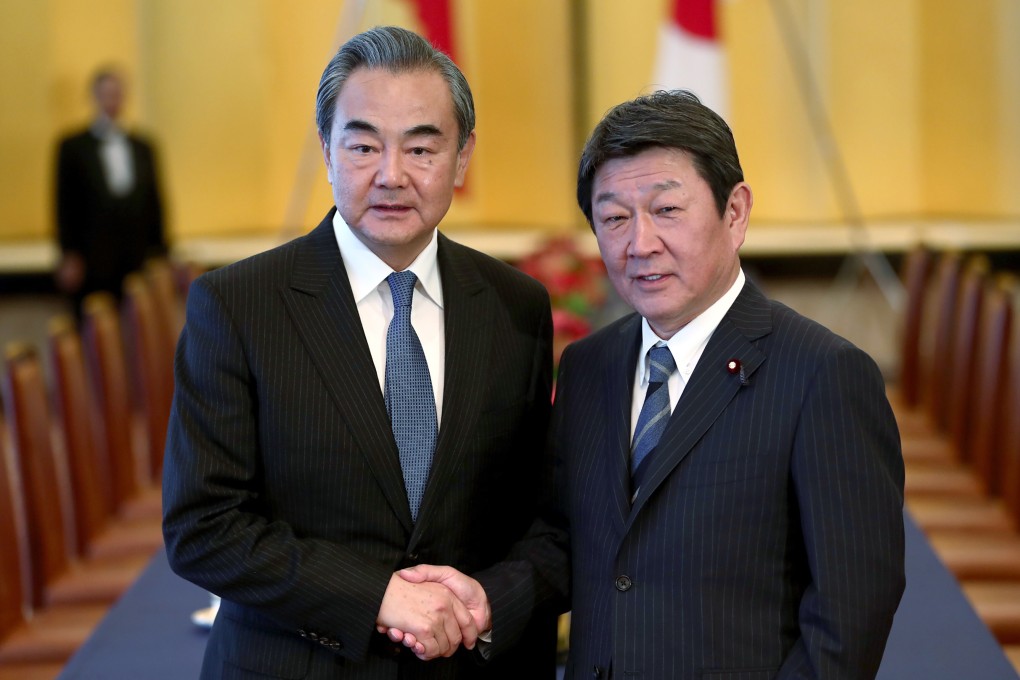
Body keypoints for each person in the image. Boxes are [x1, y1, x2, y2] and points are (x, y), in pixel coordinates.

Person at [396, 90, 905, 679]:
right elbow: (568, 539)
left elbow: (850, 615)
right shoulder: (590, 368)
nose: (640, 244)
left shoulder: (823, 376)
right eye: (614, 218)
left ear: (735, 212)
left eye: (667, 211)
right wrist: (486, 601)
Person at [161, 25, 560, 679]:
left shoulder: (516, 307)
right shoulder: (239, 305)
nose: (391, 175)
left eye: (422, 147)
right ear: (327, 150)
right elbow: (204, 526)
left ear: (462, 159)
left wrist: (493, 600)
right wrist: (377, 596)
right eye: (364, 144)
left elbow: (535, 514)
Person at [54, 67, 166, 316]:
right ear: (94, 97)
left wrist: (160, 252)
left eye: (117, 93)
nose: (112, 100)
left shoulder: (143, 145)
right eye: (106, 93)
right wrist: (68, 254)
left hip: (135, 254)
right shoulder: (73, 147)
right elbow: (64, 204)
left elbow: (155, 201)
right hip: (93, 256)